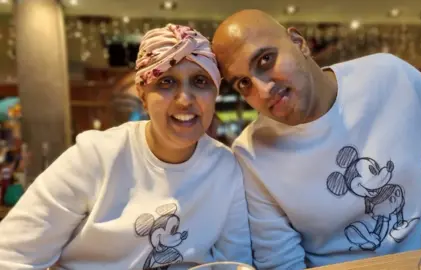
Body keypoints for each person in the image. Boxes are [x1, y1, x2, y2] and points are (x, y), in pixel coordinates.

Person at [211, 9, 421, 269]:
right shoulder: (252, 152)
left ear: (299, 42)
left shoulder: (389, 77)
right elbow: (281, 262)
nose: (263, 88)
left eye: (266, 60)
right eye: (244, 83)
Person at [0, 24, 252, 269]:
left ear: (215, 94)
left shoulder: (225, 168)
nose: (185, 99)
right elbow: (10, 255)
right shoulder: (96, 156)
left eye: (200, 81)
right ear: (143, 96)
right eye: (166, 82)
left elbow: (236, 264)